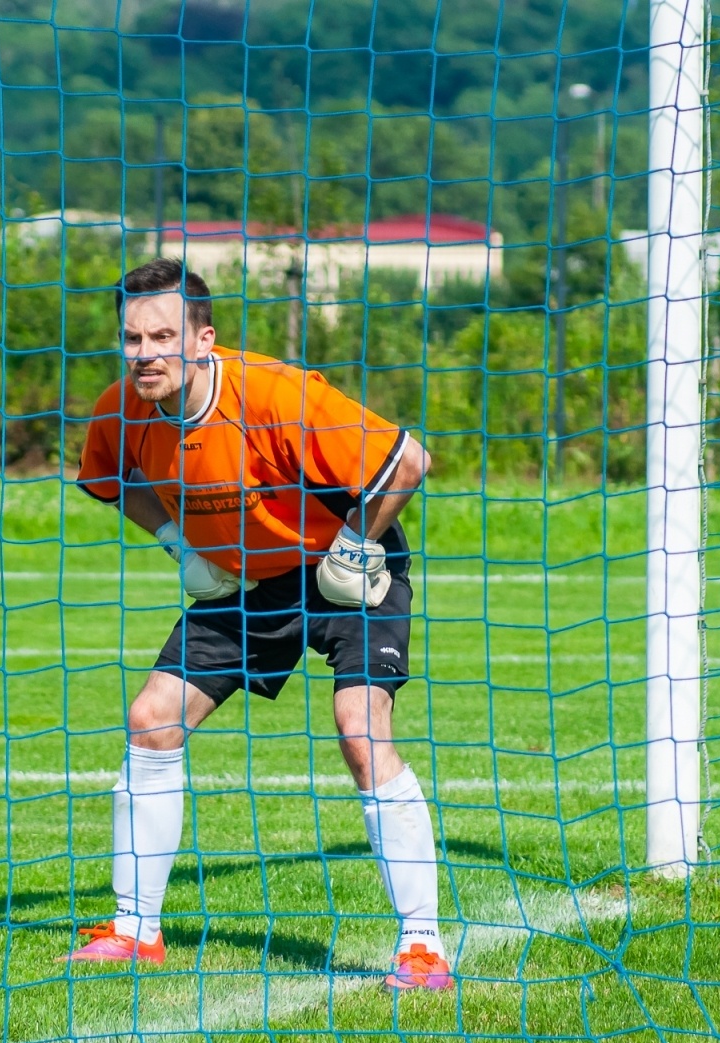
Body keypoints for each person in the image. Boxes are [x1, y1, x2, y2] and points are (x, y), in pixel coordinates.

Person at [63, 257, 452, 990]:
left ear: (204, 339)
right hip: (246, 580)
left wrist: (357, 542)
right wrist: (177, 540)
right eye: (132, 338)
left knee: (360, 732)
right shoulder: (122, 409)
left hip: (344, 569)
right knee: (152, 718)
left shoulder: (277, 395)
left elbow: (408, 460)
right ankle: (134, 931)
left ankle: (423, 949)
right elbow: (107, 480)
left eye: (163, 336)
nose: (145, 353)